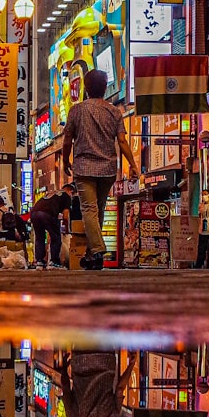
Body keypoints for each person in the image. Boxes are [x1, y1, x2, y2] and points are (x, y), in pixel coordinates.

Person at [62, 68, 137, 270]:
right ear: (105, 89)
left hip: (84, 167)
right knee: (99, 209)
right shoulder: (114, 112)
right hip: (108, 169)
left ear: (86, 88)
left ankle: (97, 248)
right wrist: (133, 164)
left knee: (89, 209)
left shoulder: (76, 110)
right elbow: (122, 140)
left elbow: (67, 138)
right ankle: (92, 257)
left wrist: (64, 160)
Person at [30, 183, 76, 268]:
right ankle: (54, 261)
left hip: (34, 214)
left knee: (40, 238)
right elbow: (66, 216)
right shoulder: (66, 195)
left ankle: (39, 261)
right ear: (71, 191)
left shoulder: (52, 193)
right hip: (47, 214)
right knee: (56, 237)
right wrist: (66, 229)